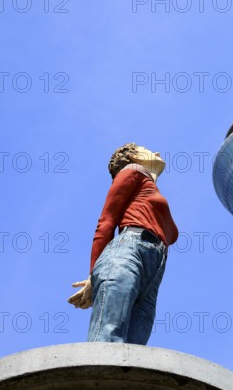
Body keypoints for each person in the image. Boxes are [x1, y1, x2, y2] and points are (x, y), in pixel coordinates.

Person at [68, 143, 178, 344]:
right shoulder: (133, 171)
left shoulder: (149, 188)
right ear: (132, 156)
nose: (156, 152)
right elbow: (106, 222)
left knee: (136, 345)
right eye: (147, 149)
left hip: (155, 264)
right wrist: (94, 275)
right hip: (130, 248)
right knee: (109, 332)